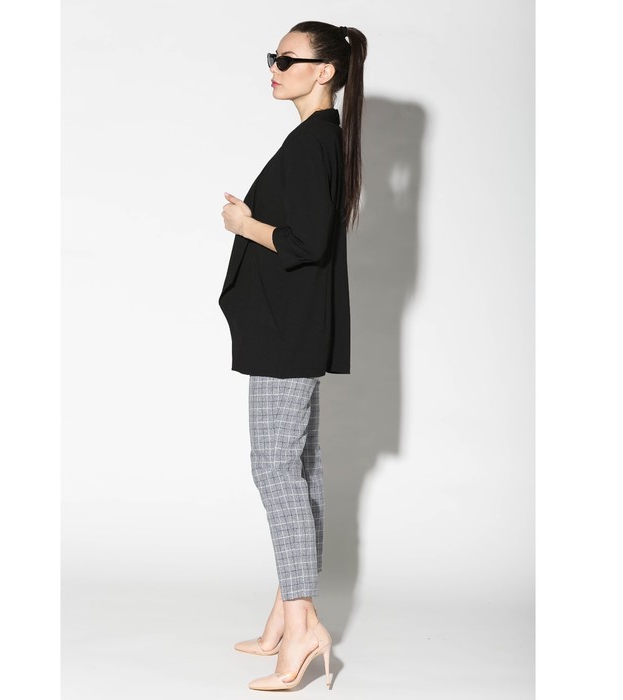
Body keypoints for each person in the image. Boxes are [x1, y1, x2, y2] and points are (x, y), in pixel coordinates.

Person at [218, 21, 368, 691]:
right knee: (300, 468)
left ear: (324, 71)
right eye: (272, 58)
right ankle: (285, 614)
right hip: (295, 326)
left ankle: (303, 624)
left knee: (275, 467)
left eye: (288, 59)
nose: (275, 68)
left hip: (286, 331)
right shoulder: (322, 138)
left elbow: (305, 243)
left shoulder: (314, 141)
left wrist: (244, 223)